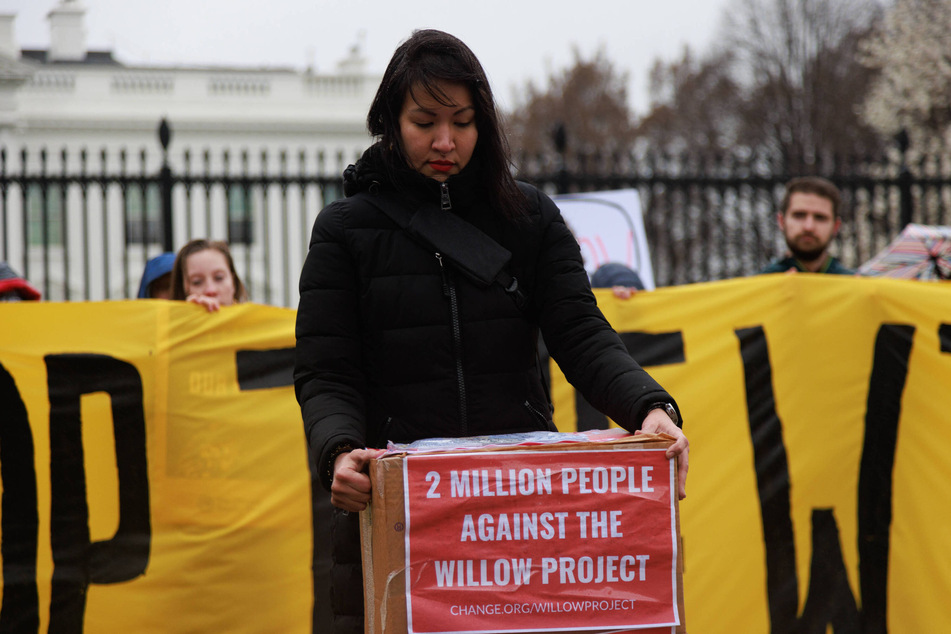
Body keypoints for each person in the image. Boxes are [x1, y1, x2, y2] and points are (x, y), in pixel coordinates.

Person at [294, 29, 689, 633]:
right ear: (390, 122)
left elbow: (581, 332)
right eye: (424, 121)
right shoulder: (344, 230)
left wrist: (648, 407)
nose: (445, 141)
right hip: (397, 512)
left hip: (520, 513)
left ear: (487, 124)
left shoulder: (530, 217)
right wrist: (339, 450)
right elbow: (327, 370)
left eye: (463, 121)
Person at [761, 176, 855, 274]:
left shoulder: (856, 284)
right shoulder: (758, 286)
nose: (809, 227)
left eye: (820, 218)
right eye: (799, 215)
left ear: (836, 226)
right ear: (781, 221)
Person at [170, 239, 247, 312]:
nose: (211, 290)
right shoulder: (169, 324)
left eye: (219, 278)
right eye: (197, 282)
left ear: (233, 281)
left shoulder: (254, 322)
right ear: (183, 289)